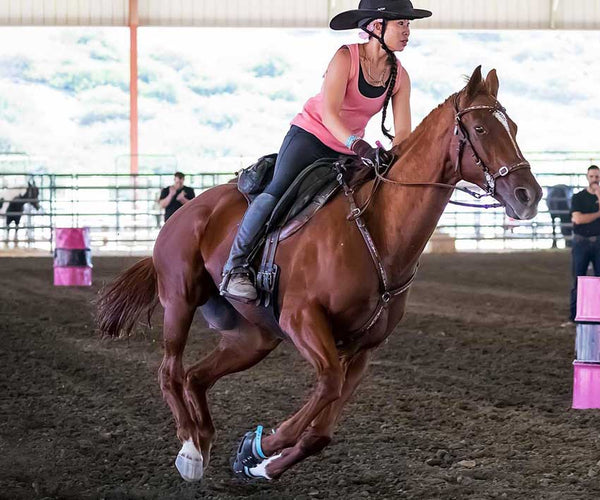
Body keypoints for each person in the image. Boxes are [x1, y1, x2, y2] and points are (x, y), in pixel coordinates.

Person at [220, 0, 432, 302]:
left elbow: (403, 134)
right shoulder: (346, 58)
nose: (408, 31)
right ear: (376, 27)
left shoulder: (400, 77)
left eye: (408, 24)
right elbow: (330, 114)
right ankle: (235, 268)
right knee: (277, 191)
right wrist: (358, 145)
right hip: (309, 137)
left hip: (348, 151)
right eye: (402, 24)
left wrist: (395, 162)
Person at [569, 165, 600, 321]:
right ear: (587, 177)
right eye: (592, 176)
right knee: (578, 279)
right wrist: (598, 214)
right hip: (581, 242)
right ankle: (574, 315)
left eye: (597, 177)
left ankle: (596, 313)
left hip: (598, 242)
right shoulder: (578, 197)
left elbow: (582, 218)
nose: (595, 180)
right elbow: (578, 219)